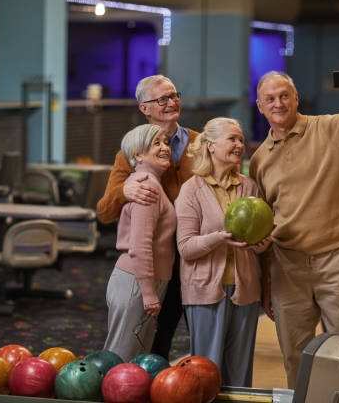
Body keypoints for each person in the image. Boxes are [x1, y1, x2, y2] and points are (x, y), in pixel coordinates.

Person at [249, 67, 339, 388]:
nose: (278, 103)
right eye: (270, 98)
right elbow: (264, 224)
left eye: (284, 96)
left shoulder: (331, 128)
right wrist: (267, 279)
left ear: (296, 98)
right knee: (295, 354)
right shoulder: (259, 161)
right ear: (259, 106)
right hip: (287, 266)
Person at [97, 75, 198, 359]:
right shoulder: (130, 153)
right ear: (145, 108)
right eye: (161, 99)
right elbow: (104, 212)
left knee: (202, 343)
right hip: (153, 266)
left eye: (174, 95)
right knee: (153, 343)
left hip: (196, 261)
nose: (171, 102)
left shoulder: (202, 145)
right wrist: (124, 190)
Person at [175, 117, 272, 387]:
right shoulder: (191, 190)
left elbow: (261, 241)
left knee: (240, 374)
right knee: (205, 372)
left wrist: (262, 243)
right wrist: (220, 238)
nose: (239, 144)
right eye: (232, 139)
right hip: (205, 291)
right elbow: (185, 248)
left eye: (241, 139)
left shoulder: (249, 187)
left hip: (246, 291)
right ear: (211, 145)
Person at [103, 124, 176, 362]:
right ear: (138, 154)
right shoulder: (147, 186)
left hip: (142, 281)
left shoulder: (152, 183)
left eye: (165, 142)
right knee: (120, 359)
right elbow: (140, 245)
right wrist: (148, 293)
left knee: (134, 359)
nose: (165, 147)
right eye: (156, 143)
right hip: (136, 282)